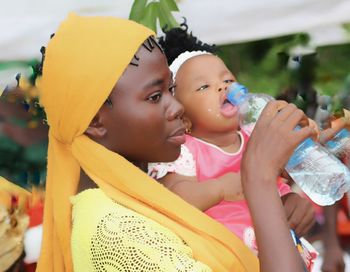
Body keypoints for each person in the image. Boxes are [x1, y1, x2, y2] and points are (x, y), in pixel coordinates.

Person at [36, 13, 316, 272]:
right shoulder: (113, 231)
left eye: (171, 89)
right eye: (155, 96)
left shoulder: (144, 199)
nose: (178, 107)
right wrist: (259, 183)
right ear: (96, 121)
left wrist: (279, 219)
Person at [150, 26, 316, 255]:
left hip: (279, 246)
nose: (223, 86)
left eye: (227, 79)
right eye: (204, 86)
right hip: (228, 254)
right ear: (184, 118)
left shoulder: (256, 135)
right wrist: (219, 188)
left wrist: (306, 138)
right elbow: (175, 199)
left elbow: (293, 168)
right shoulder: (185, 151)